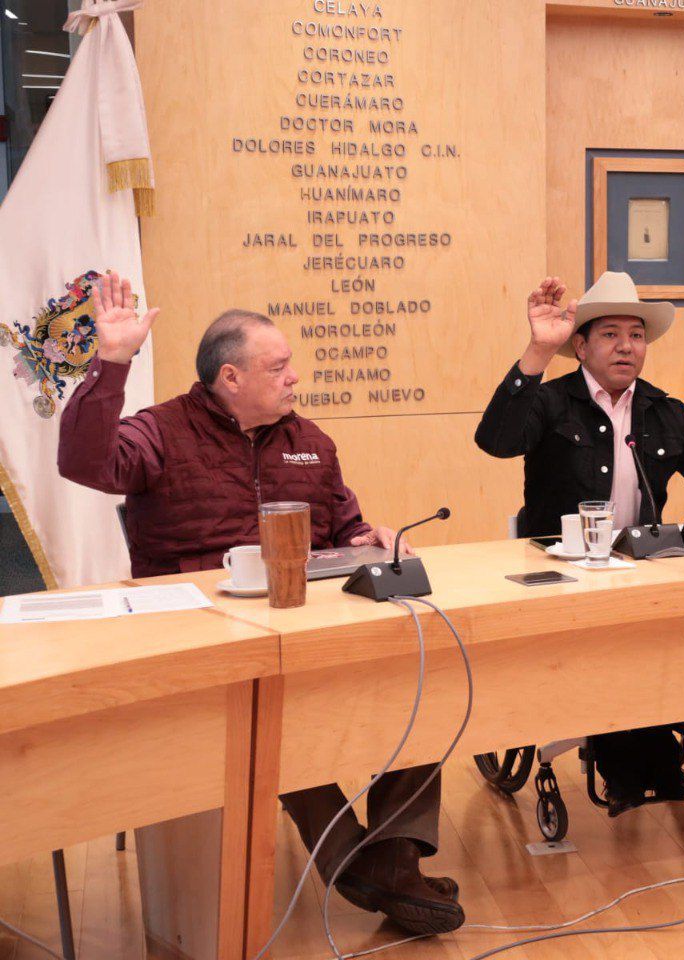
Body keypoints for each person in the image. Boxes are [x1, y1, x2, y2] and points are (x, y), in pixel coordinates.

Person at [57, 272, 463, 937]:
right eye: (278, 367)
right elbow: (84, 464)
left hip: (305, 625)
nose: (294, 377)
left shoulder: (311, 441)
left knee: (417, 675)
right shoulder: (161, 431)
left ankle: (393, 857)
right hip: (204, 640)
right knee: (268, 707)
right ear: (231, 378)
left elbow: (345, 530)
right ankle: (352, 861)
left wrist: (374, 538)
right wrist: (112, 362)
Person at [475, 271, 684, 815]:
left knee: (676, 635)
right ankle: (640, 768)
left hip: (643, 573)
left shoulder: (665, 412)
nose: (626, 346)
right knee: (614, 648)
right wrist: (537, 351)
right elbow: (495, 441)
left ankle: (652, 757)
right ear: (581, 346)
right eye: (610, 334)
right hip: (562, 572)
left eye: (636, 335)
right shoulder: (550, 401)